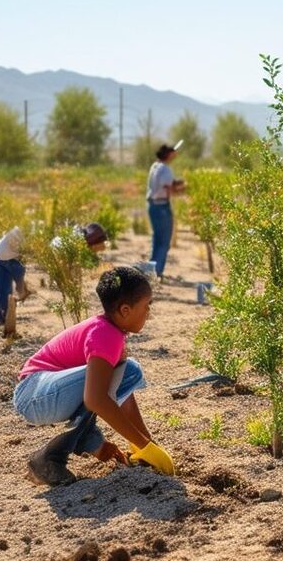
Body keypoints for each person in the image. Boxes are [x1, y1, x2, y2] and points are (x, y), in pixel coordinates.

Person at [13, 266, 175, 486]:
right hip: (34, 395)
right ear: (125, 310)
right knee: (127, 372)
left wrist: (145, 444)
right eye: (147, 305)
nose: (149, 312)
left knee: (124, 373)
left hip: (44, 393)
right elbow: (95, 399)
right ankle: (50, 458)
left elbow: (120, 394)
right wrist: (145, 447)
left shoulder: (110, 332)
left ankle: (59, 455)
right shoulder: (106, 335)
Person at [146, 143, 185, 280]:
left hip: (152, 206)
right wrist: (180, 190)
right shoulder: (166, 169)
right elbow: (168, 188)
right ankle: (157, 272)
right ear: (168, 155)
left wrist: (175, 184)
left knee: (157, 240)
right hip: (162, 206)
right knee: (163, 242)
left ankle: (151, 271)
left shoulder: (155, 166)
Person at [0, 226, 32, 326]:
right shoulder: (17, 229)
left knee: (7, 290)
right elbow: (13, 242)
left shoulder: (29, 234)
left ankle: (7, 312)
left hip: (10, 260)